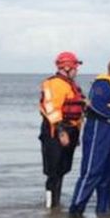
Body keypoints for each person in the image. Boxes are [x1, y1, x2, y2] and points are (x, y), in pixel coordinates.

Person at [68, 56, 110, 216]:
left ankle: (104, 210)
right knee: (92, 171)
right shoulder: (102, 84)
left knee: (109, 173)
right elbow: (95, 104)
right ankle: (76, 210)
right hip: (99, 131)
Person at [38, 51, 86, 208]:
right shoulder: (55, 84)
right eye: (75, 67)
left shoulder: (71, 85)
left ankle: (56, 204)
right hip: (55, 131)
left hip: (70, 130)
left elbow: (80, 108)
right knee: (54, 171)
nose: (76, 71)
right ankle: (50, 206)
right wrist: (61, 131)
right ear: (67, 67)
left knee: (62, 169)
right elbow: (51, 109)